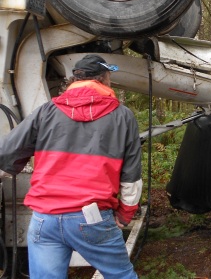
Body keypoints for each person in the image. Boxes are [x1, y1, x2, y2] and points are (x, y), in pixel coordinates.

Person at [0, 54, 142, 279]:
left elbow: (6, 152)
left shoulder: (46, 111)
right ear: (104, 79)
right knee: (120, 276)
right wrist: (125, 214)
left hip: (45, 218)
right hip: (92, 217)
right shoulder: (122, 116)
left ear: (74, 80)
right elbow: (131, 177)